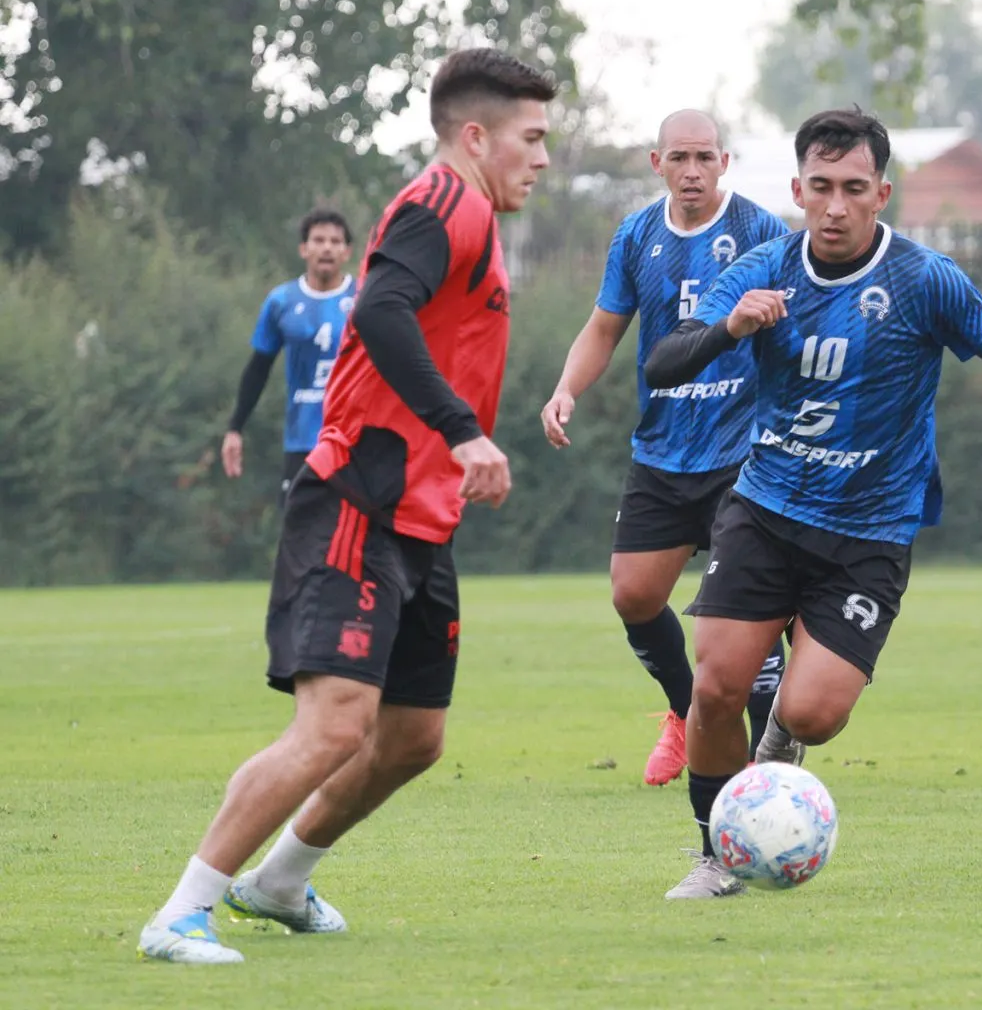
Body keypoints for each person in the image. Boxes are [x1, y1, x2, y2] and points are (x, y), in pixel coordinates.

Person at [137, 47, 557, 964]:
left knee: (412, 738)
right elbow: (380, 312)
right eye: (533, 137)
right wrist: (462, 430)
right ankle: (180, 912)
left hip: (419, 517)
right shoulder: (447, 200)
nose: (545, 155)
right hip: (357, 503)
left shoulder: (475, 211)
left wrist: (450, 452)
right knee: (333, 726)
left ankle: (280, 882)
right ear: (475, 134)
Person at [643, 107, 982, 899]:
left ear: (883, 193)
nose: (836, 206)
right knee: (718, 686)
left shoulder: (923, 279)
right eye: (822, 187)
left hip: (868, 531)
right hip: (764, 509)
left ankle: (782, 747)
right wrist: (728, 326)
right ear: (797, 189)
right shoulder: (763, 267)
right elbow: (663, 363)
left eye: (854, 189)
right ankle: (716, 854)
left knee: (814, 714)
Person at [540, 110, 792, 789]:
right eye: (678, 157)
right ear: (656, 164)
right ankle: (685, 717)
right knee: (633, 596)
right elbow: (603, 328)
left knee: (757, 622)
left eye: (704, 157)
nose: (691, 171)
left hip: (743, 452)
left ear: (724, 162)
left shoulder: (760, 232)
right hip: (662, 451)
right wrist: (566, 390)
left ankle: (767, 777)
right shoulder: (636, 235)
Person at [222, 209, 357, 504]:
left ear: (347, 252)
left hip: (356, 444)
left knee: (354, 545)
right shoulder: (281, 302)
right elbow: (258, 368)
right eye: (318, 240)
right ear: (303, 249)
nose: (326, 248)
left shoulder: (365, 299)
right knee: (298, 544)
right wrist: (235, 428)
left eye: (335, 241)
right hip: (302, 443)